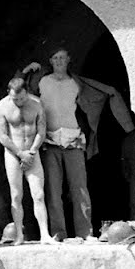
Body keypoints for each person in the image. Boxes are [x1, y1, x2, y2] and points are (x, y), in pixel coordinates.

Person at [33, 48, 93, 241]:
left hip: (73, 140)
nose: (59, 61)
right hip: (50, 142)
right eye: (55, 57)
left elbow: (90, 106)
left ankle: (85, 233)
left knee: (80, 189)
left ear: (69, 60)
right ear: (50, 60)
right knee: (53, 191)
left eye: (62, 58)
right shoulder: (42, 81)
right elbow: (19, 92)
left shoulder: (76, 83)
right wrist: (26, 71)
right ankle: (59, 233)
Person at [0, 74, 55, 245]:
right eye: (15, 98)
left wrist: (32, 152)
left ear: (27, 93)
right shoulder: (2, 107)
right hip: (14, 154)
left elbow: (41, 132)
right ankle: (19, 235)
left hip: (32, 152)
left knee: (38, 194)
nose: (18, 102)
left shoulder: (36, 104)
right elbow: (3, 136)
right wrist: (21, 154)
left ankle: (45, 234)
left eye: (21, 98)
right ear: (9, 93)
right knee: (16, 195)